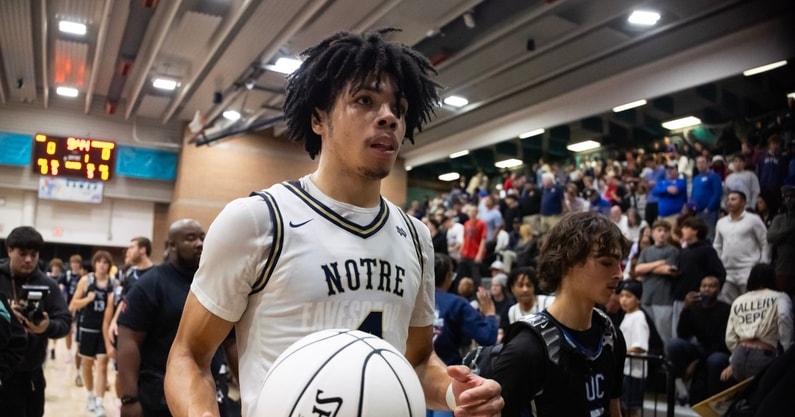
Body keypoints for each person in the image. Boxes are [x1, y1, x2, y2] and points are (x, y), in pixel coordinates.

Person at [164, 29, 503, 417]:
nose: (389, 117)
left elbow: (419, 362)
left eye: (399, 108)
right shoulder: (259, 221)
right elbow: (188, 356)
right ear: (318, 118)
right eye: (364, 100)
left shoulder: (416, 236)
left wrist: (459, 394)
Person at [491, 212, 629, 417]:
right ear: (567, 262)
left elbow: (613, 408)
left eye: (620, 263)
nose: (619, 274)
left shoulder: (612, 337)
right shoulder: (527, 350)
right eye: (606, 262)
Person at [117, 220, 231, 417]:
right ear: (172, 245)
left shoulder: (213, 283)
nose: (199, 243)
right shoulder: (150, 284)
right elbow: (128, 341)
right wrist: (129, 398)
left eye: (202, 237)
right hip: (159, 397)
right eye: (190, 238)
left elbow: (231, 340)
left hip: (211, 393)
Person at [0, 226, 72, 416]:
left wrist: (47, 326)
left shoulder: (48, 284)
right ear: (9, 251)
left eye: (34, 254)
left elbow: (65, 321)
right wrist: (6, 317)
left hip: (30, 374)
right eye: (22, 254)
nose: (29, 260)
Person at [665, 276, 731, 406]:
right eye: (703, 286)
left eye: (711, 286)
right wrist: (686, 309)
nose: (706, 289)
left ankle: (714, 403)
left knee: (714, 360)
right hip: (701, 349)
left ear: (719, 290)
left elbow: (722, 342)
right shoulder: (694, 308)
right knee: (673, 345)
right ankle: (680, 387)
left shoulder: (726, 310)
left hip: (720, 350)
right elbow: (682, 334)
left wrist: (697, 363)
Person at [722, 263, 792, 383]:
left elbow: (730, 336)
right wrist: (787, 349)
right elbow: (784, 316)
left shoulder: (739, 300)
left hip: (739, 354)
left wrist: (735, 355)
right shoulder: (780, 297)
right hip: (764, 355)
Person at [431, 253, 498, 374]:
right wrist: (490, 314)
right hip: (448, 374)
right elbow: (487, 337)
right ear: (448, 276)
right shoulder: (457, 304)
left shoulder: (409, 299)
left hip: (406, 371)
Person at [70, 250, 117, 417]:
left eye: (105, 262)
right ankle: (90, 395)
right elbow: (73, 303)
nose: (102, 265)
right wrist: (87, 300)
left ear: (108, 265)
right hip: (87, 327)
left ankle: (99, 402)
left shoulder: (114, 283)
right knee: (87, 364)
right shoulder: (86, 280)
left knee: (103, 364)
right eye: (99, 262)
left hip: (104, 329)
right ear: (95, 263)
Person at [713, 191, 769, 303]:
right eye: (728, 200)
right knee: (729, 306)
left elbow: (765, 241)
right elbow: (717, 245)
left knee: (749, 304)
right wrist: (719, 264)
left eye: (733, 199)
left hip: (748, 269)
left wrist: (763, 263)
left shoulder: (753, 220)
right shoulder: (721, 222)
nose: (729, 202)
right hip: (727, 272)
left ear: (743, 202)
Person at [617, 280, 649, 417]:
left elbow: (640, 346)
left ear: (638, 299)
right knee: (624, 407)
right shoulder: (628, 315)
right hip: (625, 370)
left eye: (628, 296)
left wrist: (621, 350)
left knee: (631, 409)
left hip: (634, 372)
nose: (623, 300)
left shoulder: (638, 317)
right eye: (622, 295)